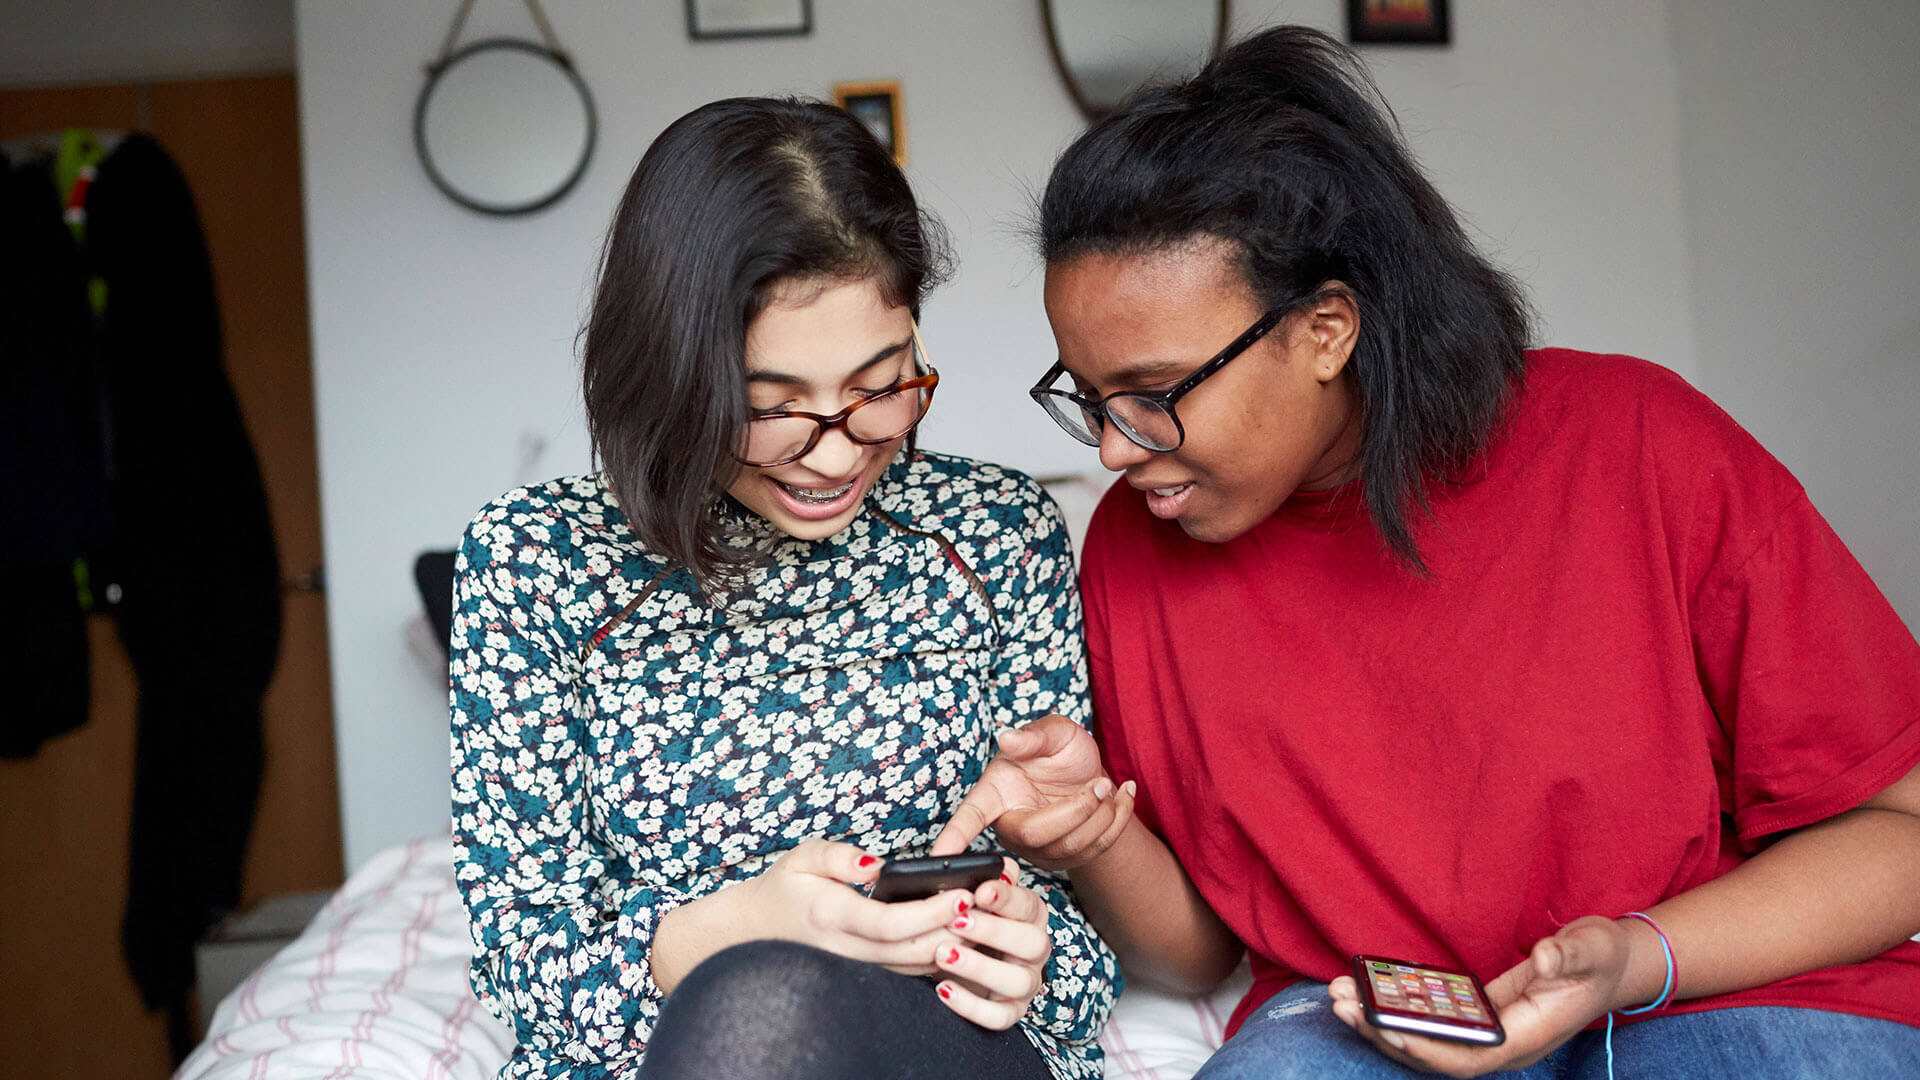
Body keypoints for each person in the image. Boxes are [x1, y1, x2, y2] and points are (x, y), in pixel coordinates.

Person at [936, 25, 1920, 1079]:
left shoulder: (1640, 442)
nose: (1119, 450)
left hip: (1711, 982)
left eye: (1157, 394)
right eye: (1089, 400)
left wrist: (1637, 958)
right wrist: (1092, 835)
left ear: (1325, 332)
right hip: (1361, 1022)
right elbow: (1200, 951)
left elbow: (1898, 835)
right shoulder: (1138, 548)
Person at [449, 96, 1118, 1080]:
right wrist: (721, 934)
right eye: (772, 408)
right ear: (672, 378)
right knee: (761, 1004)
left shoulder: (995, 532)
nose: (837, 450)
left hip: (945, 1045)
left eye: (882, 383)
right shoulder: (536, 564)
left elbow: (1076, 948)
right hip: (675, 1044)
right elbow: (522, 960)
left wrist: (1035, 962)